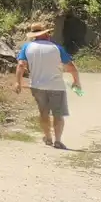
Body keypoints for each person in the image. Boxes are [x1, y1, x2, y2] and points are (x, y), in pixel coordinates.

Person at [15, 21, 82, 149]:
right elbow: (71, 67)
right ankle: (58, 140)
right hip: (57, 86)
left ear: (34, 36)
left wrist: (18, 82)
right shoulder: (57, 48)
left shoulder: (27, 48)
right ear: (46, 34)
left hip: (37, 86)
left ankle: (48, 137)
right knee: (58, 114)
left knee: (43, 113)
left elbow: (21, 65)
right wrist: (76, 81)